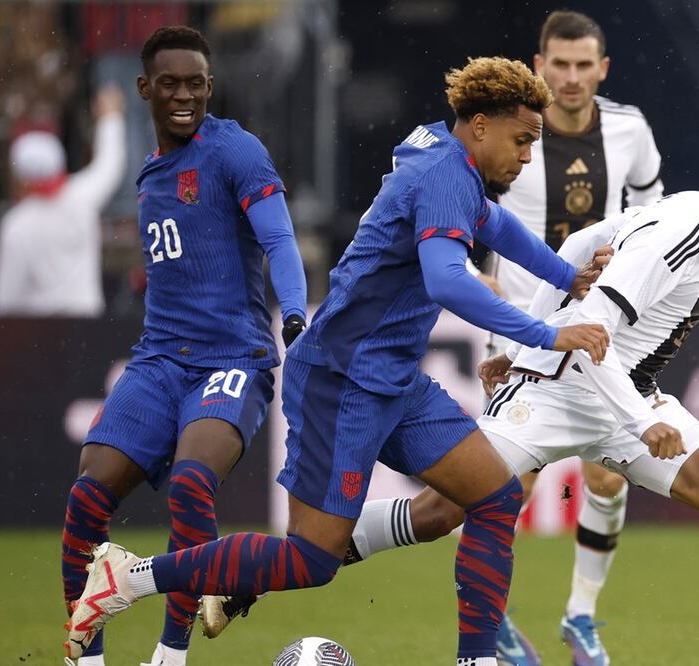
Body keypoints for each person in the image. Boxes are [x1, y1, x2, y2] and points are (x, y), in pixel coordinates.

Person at [66, 55, 613, 666]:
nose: (527, 157)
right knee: (311, 559)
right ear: (481, 126)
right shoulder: (445, 176)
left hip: (391, 378)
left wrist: (571, 277)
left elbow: (497, 227)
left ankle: (477, 659)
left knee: (493, 495)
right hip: (342, 379)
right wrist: (546, 335)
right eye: (522, 141)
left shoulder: (444, 154)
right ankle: (130, 579)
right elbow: (449, 283)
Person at [341, 139, 699, 666]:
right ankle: (303, 554)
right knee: (440, 513)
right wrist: (617, 406)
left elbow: (579, 243)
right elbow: (594, 332)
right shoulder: (679, 235)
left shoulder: (697, 212)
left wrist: (535, 340)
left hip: (624, 395)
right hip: (555, 391)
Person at [350, 12, 665, 665]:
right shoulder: (495, 138)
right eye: (561, 64)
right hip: (522, 334)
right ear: (540, 65)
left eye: (585, 65)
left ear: (601, 69)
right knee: (479, 497)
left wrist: (608, 297)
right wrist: (495, 299)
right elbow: (467, 232)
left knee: (609, 479)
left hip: (596, 331)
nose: (572, 77)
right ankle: (477, 623)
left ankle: (580, 619)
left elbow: (649, 224)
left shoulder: (630, 132)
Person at [60, 26, 308, 666]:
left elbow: (280, 241)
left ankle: (170, 657)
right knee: (86, 499)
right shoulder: (149, 177)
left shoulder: (237, 151)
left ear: (209, 87)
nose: (182, 95)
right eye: (168, 83)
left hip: (233, 360)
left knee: (191, 487)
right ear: (144, 88)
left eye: (194, 84)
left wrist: (297, 315)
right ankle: (87, 660)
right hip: (158, 361)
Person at [0, 85, 126, 317]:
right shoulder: (82, 197)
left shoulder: (16, 225)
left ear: (21, 179)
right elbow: (110, 165)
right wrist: (111, 118)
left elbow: (3, 302)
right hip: (87, 331)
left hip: (37, 338)